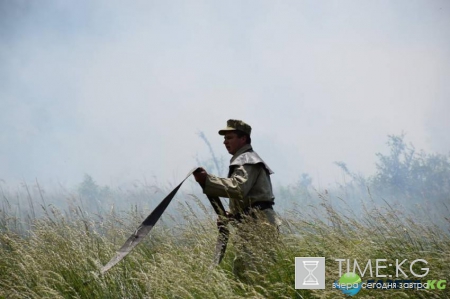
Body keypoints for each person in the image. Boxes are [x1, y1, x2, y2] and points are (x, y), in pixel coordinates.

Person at [193, 119, 280, 282]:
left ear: (243, 139)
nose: (225, 142)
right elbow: (249, 198)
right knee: (244, 272)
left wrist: (207, 181)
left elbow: (238, 188)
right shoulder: (243, 160)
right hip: (252, 223)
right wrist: (231, 215)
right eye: (224, 138)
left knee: (255, 275)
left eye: (230, 137)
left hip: (258, 224)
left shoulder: (248, 159)